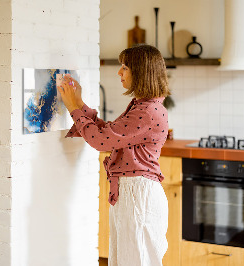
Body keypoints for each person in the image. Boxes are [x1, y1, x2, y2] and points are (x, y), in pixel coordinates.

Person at [58, 44, 170, 266]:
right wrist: (79, 103)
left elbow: (101, 141)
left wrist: (73, 108)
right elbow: (109, 133)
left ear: (141, 72)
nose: (119, 72)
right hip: (133, 193)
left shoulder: (147, 111)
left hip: (138, 195)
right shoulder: (143, 106)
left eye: (125, 67)